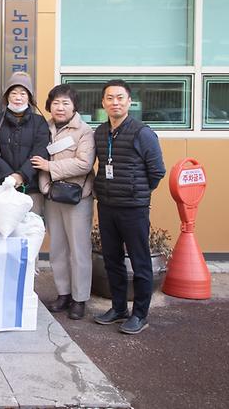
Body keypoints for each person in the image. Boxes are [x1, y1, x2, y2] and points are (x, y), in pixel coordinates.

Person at [92, 79, 165, 335]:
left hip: (134, 208)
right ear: (103, 102)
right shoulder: (100, 133)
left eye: (120, 98)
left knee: (140, 261)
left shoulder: (142, 132)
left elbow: (157, 171)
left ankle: (140, 314)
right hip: (107, 206)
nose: (115, 102)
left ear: (129, 102)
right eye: (110, 98)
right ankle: (119, 308)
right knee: (112, 260)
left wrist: (138, 191)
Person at [31, 84, 96, 320]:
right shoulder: (44, 127)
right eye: (56, 102)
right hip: (52, 195)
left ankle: (80, 299)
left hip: (77, 197)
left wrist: (50, 167)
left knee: (78, 250)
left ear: (74, 107)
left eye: (65, 103)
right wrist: (45, 186)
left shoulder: (84, 131)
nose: (60, 107)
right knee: (57, 247)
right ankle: (63, 293)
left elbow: (84, 164)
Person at [0, 71, 50, 215]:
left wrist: (21, 176)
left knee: (29, 232)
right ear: (7, 96)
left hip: (31, 188)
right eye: (14, 93)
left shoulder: (39, 122)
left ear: (30, 97)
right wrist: (8, 176)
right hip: (1, 186)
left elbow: (40, 151)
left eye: (23, 93)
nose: (18, 98)